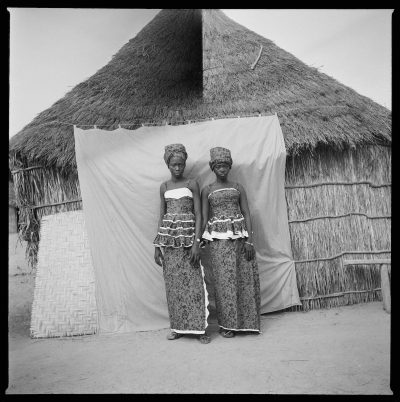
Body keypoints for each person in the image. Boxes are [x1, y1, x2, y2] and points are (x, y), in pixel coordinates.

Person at [153, 143, 211, 344]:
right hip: (170, 242)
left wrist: (196, 243)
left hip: (188, 241)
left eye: (180, 164)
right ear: (168, 165)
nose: (177, 168)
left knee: (194, 283)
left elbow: (199, 214)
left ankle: (200, 329)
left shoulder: (192, 184)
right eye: (174, 165)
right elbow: (162, 216)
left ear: (184, 163)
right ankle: (177, 327)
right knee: (174, 286)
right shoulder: (164, 187)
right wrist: (157, 245)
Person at [201, 147, 261, 338]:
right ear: (213, 167)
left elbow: (246, 213)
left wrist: (250, 241)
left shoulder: (237, 187)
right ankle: (227, 325)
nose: (222, 169)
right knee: (223, 282)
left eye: (225, 165)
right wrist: (198, 240)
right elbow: (203, 217)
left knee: (243, 279)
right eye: (218, 166)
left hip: (240, 240)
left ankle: (246, 323)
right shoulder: (207, 190)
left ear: (229, 167)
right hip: (218, 243)